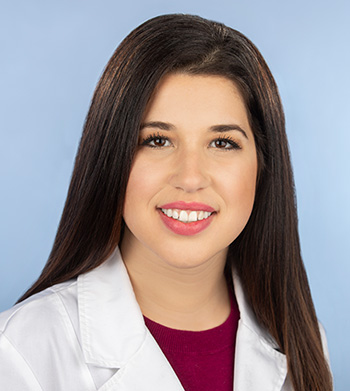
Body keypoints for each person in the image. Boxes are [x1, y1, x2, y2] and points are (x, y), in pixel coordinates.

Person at [0, 14, 333, 391]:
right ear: (112, 157)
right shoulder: (21, 352)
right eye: (157, 140)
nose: (190, 178)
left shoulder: (302, 344)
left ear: (263, 166)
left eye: (222, 143)